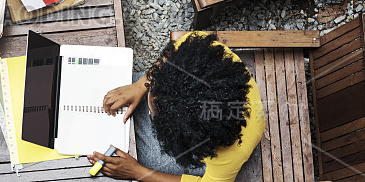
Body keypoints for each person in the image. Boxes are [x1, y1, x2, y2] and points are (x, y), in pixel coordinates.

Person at [90, 32, 266, 181]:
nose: (149, 113)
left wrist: (139, 172)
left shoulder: (231, 154)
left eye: (153, 115)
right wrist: (141, 85)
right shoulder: (200, 53)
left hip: (207, 151)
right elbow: (171, 56)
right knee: (130, 82)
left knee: (151, 160)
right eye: (152, 91)